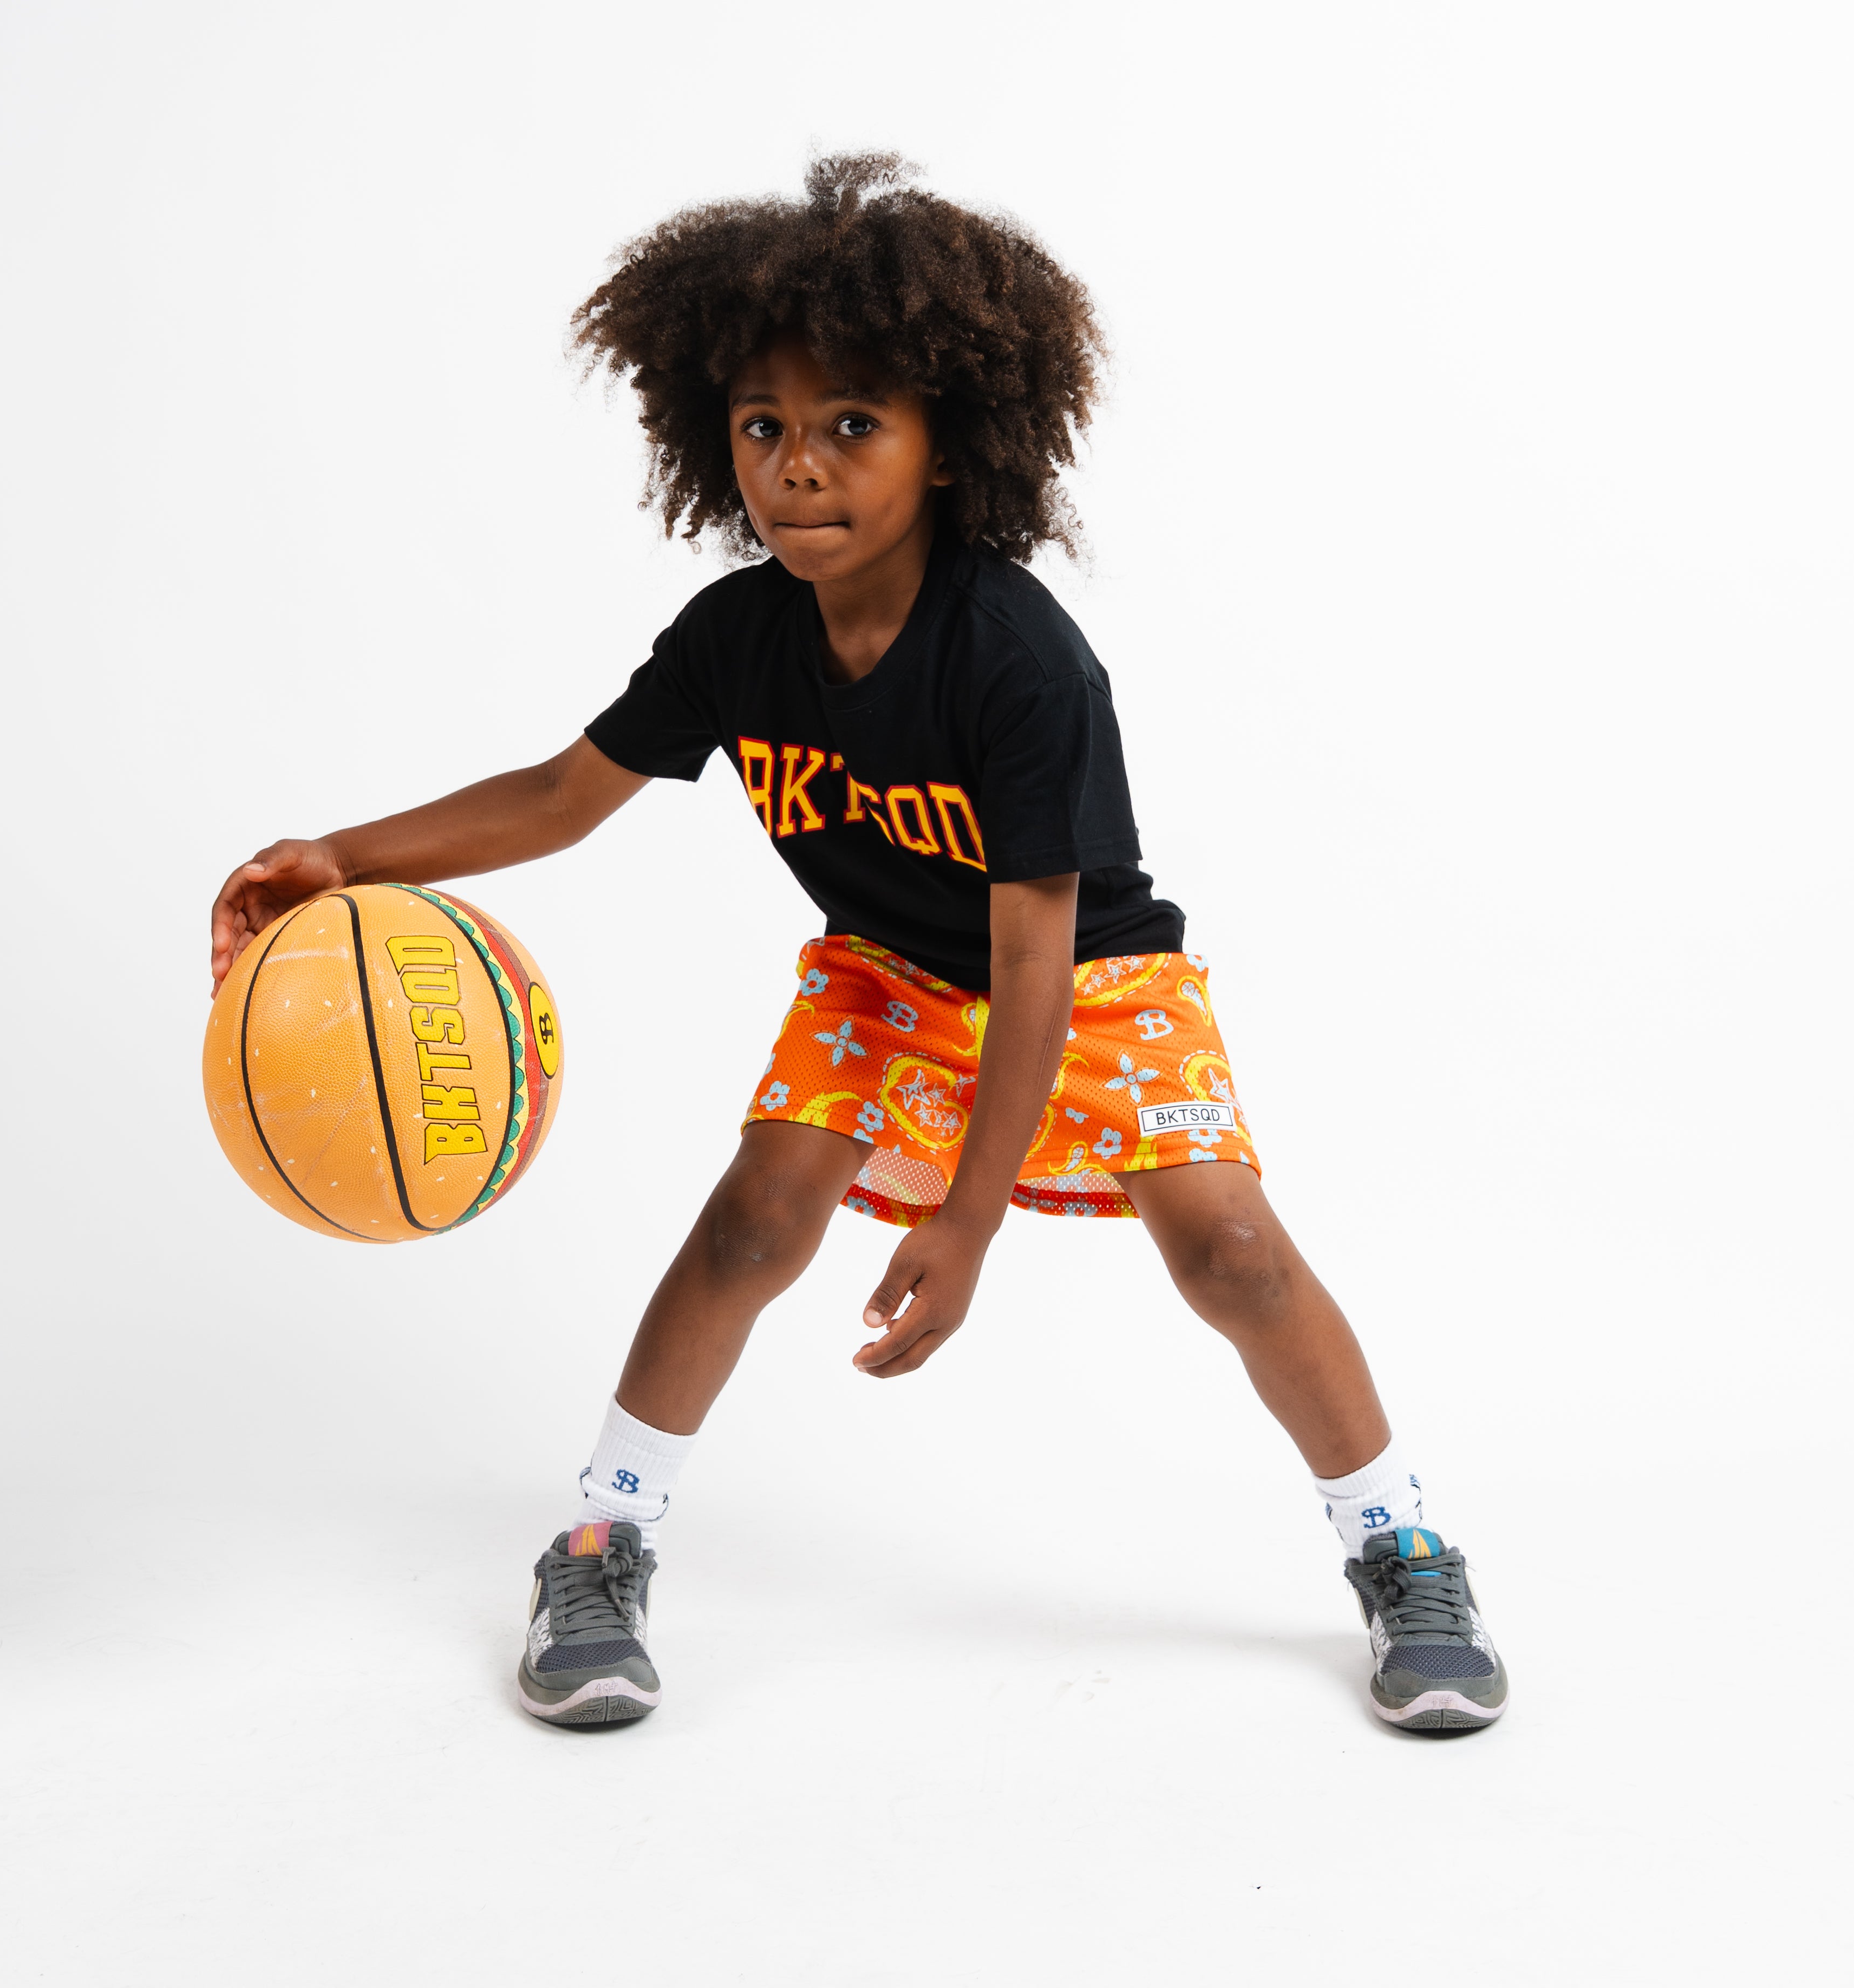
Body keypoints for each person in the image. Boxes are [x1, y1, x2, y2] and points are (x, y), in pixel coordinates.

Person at [209, 155, 1507, 1734]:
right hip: (884, 978)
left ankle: (1401, 1546)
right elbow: (561, 797)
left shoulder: (1020, 660)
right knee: (757, 1222)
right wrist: (342, 856)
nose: (797, 468)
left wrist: (968, 1220)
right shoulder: (735, 638)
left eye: (850, 426)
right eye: (763, 426)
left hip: (1091, 981)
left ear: (948, 444)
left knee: (1232, 1253)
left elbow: (1033, 962)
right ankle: (599, 1542)